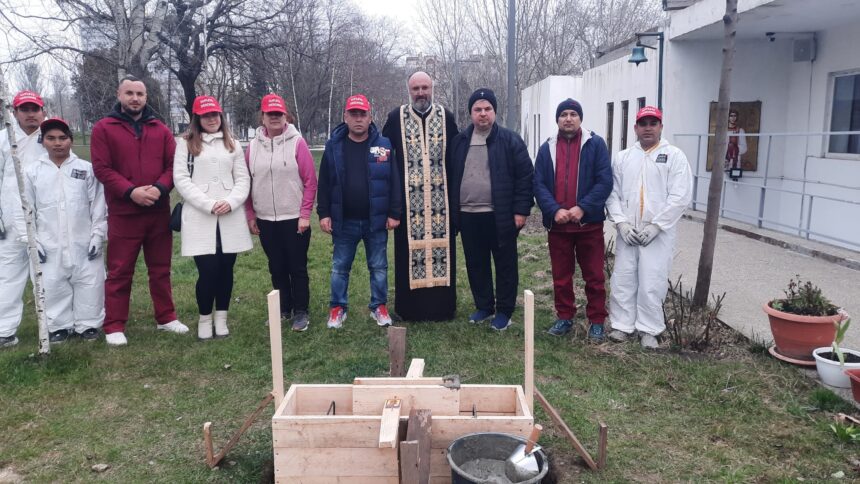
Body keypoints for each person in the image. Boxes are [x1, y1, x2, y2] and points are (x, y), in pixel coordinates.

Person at [91, 75, 188, 346]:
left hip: (157, 211)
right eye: (130, 93)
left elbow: (174, 166)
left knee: (160, 268)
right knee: (120, 270)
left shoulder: (160, 129)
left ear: (146, 98)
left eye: (140, 94)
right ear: (119, 95)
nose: (135, 98)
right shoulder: (104, 128)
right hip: (124, 213)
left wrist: (160, 187)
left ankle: (166, 317)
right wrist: (130, 191)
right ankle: (114, 325)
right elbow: (101, 168)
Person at [606, 106, 693, 348]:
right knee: (623, 279)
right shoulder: (623, 158)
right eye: (643, 123)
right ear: (635, 127)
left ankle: (649, 329)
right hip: (629, 232)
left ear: (661, 127)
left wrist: (657, 226)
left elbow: (680, 196)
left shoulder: (674, 156)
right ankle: (622, 325)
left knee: (652, 280)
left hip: (658, 234)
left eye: (652, 123)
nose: (647, 128)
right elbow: (612, 193)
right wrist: (621, 223)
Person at [450, 88, 534, 331]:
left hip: (501, 215)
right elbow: (452, 175)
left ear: (495, 112)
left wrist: (521, 210)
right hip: (468, 214)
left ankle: (504, 311)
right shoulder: (459, 141)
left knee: (505, 265)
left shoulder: (510, 140)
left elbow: (525, 177)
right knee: (476, 263)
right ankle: (484, 307)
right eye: (478, 109)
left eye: (487, 109)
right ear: (471, 113)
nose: (483, 114)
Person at [317, 94, 401, 329]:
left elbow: (394, 180)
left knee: (379, 266)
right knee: (340, 267)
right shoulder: (334, 146)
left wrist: (395, 213)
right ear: (345, 116)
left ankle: (379, 306)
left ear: (370, 117)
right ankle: (338, 307)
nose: (358, 119)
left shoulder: (383, 145)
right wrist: (324, 213)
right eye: (353, 114)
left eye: (362, 114)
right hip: (344, 221)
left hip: (376, 221)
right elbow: (324, 182)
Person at [382, 71, 459, 322]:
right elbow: (384, 159)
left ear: (432, 88)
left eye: (425, 87)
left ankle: (442, 309)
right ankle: (410, 310)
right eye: (416, 88)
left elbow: (456, 160)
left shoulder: (446, 117)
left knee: (441, 253)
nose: (421, 93)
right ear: (409, 90)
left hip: (441, 203)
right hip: (407, 205)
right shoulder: (396, 118)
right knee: (407, 257)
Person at [533, 99, 613, 342]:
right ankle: (565, 316)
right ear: (557, 119)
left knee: (594, 276)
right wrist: (554, 209)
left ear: (580, 118)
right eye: (563, 114)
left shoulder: (595, 144)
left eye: (573, 114)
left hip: (588, 225)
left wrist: (583, 208)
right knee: (561, 276)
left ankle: (597, 320)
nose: (568, 118)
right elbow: (539, 183)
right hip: (558, 227)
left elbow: (605, 181)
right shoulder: (547, 147)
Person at [20, 118, 106, 343]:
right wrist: (32, 241)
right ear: (43, 141)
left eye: (62, 138)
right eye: (51, 138)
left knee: (90, 281)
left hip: (83, 238)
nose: (57, 143)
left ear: (71, 139)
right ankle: (59, 325)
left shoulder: (85, 170)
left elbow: (98, 205)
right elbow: (26, 209)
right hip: (49, 241)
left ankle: (89, 323)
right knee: (52, 283)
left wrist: (98, 234)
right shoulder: (32, 172)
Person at [175, 96, 252, 340]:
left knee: (226, 270)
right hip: (201, 216)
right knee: (207, 271)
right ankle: (205, 319)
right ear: (197, 118)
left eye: (215, 115)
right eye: (206, 116)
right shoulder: (185, 143)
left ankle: (222, 317)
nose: (212, 119)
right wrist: (208, 204)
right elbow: (181, 180)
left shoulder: (233, 144)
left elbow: (243, 178)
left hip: (230, 216)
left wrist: (230, 202)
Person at [245, 94, 317, 331]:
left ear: (286, 116)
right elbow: (246, 181)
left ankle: (301, 311)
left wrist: (305, 214)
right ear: (262, 117)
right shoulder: (253, 147)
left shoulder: (297, 143)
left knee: (296, 267)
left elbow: (310, 181)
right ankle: (282, 309)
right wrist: (250, 214)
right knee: (276, 266)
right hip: (265, 218)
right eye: (270, 114)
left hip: (294, 218)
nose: (274, 118)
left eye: (279, 114)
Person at [0, 90, 48, 347]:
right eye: (25, 110)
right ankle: (4, 329)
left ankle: (57, 323)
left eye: (35, 109)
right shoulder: (3, 139)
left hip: (46, 218)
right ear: (15, 112)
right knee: (9, 274)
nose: (31, 114)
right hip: (10, 220)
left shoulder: (51, 137)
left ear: (42, 110)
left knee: (48, 272)